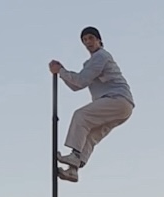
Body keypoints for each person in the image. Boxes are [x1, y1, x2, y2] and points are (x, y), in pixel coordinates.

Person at [49, 26, 134, 182]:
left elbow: (81, 81)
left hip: (117, 99)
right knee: (90, 135)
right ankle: (73, 170)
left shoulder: (101, 56)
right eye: (85, 40)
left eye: (91, 38)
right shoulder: (90, 62)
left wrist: (60, 71)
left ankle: (75, 156)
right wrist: (62, 71)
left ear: (99, 40)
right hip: (122, 107)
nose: (88, 42)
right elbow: (76, 86)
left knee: (81, 116)